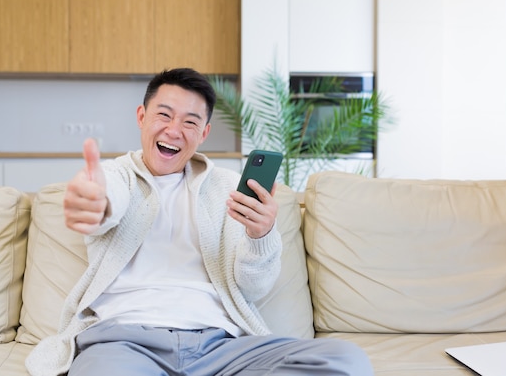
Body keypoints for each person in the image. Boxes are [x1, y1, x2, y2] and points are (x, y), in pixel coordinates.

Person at [25, 68, 373, 376]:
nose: (174, 130)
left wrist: (260, 235)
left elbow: (253, 289)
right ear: (142, 116)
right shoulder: (117, 176)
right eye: (164, 115)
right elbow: (107, 199)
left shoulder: (227, 187)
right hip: (124, 342)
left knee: (346, 360)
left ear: (203, 133)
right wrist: (95, 201)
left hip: (220, 347)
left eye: (190, 122)